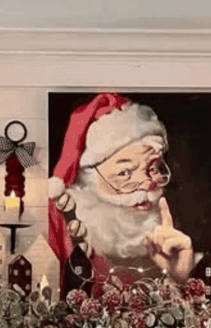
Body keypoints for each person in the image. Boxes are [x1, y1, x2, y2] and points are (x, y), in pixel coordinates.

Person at [49, 92, 195, 285]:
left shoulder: (166, 245)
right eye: (125, 173)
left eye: (153, 168)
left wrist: (179, 277)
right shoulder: (63, 235)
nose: (147, 184)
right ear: (88, 181)